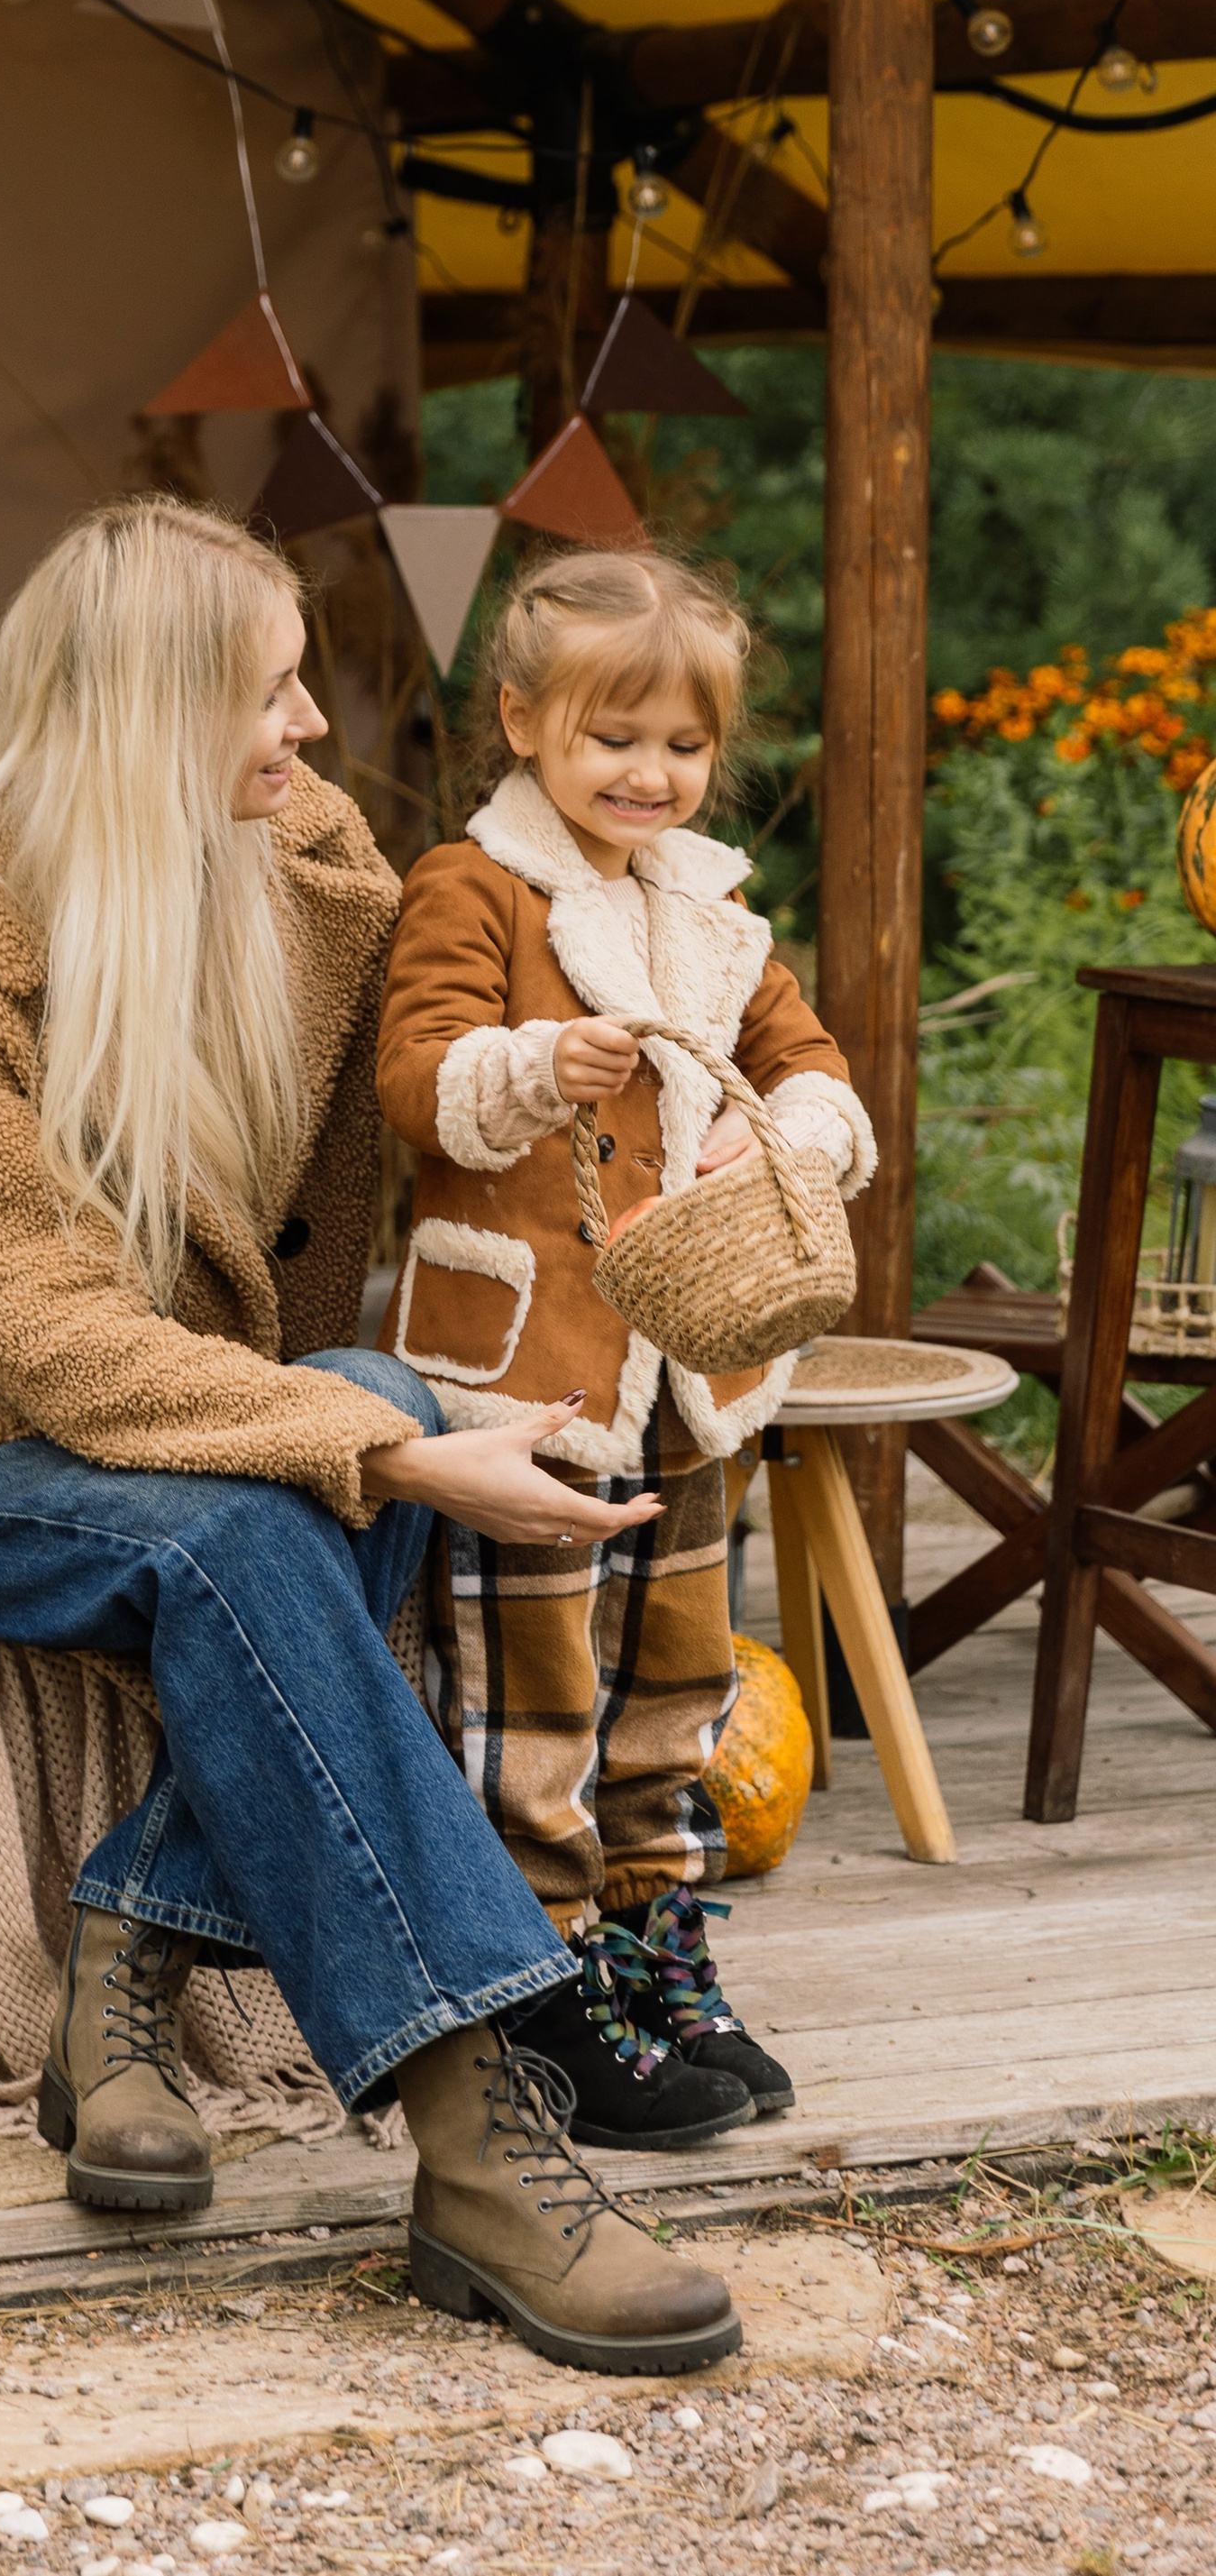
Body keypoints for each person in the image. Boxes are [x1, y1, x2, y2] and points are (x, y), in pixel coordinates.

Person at [0, 494, 740, 2375]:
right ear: (138, 714)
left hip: (187, 1401)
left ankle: (122, 1952)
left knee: (357, 1403)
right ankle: (473, 2137)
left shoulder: (316, 877)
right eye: (268, 694)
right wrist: (402, 1459)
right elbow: (52, 1344)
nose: (307, 730)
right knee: (291, 1493)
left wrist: (730, 1083)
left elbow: (522, 992)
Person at [375, 543, 874, 2151]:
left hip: (691, 1372)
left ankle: (659, 1944)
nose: (650, 772)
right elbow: (418, 1079)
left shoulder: (711, 907)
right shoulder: (475, 886)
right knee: (536, 1686)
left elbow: (810, 1062)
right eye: (613, 737)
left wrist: (785, 1134)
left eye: (682, 743)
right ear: (522, 721)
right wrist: (532, 1060)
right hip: (530, 1366)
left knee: (678, 1674)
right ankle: (540, 1979)